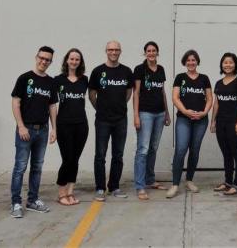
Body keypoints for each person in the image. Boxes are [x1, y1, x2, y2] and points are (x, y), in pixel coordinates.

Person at [10, 46, 58, 218]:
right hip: (26, 129)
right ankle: (16, 203)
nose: (43, 61)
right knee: (20, 167)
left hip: (42, 130)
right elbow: (16, 103)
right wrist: (21, 126)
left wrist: (54, 129)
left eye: (47, 60)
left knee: (37, 167)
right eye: (41, 58)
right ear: (36, 57)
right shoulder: (24, 78)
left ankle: (32, 200)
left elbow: (52, 106)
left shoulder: (51, 82)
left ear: (50, 62)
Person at [89, 40, 133, 201]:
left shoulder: (127, 71)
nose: (113, 52)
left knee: (118, 155)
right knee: (100, 155)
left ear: (120, 51)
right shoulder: (97, 71)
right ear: (106, 51)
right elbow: (92, 94)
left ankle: (114, 186)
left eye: (116, 50)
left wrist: (119, 106)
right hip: (102, 120)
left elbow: (128, 92)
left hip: (121, 119)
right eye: (110, 49)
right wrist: (101, 108)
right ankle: (100, 188)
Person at [166, 50, 212, 199]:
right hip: (184, 119)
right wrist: (185, 111)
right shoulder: (180, 78)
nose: (191, 62)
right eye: (188, 60)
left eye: (193, 60)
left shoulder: (204, 78)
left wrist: (204, 112)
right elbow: (175, 98)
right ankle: (175, 184)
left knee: (195, 150)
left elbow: (210, 98)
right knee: (180, 149)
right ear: (185, 62)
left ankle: (189, 180)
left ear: (197, 61)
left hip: (201, 120)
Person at [133, 41, 171, 200]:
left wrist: (167, 113)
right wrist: (136, 115)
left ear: (157, 52)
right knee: (143, 149)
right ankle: (140, 186)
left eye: (154, 50)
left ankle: (150, 179)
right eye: (148, 51)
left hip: (160, 113)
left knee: (153, 148)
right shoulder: (139, 69)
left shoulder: (161, 69)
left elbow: (162, 92)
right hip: (145, 114)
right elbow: (136, 93)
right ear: (145, 53)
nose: (151, 53)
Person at [55, 48, 89, 206]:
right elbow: (51, 104)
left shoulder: (85, 80)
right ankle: (61, 193)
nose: (74, 62)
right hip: (64, 125)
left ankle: (70, 192)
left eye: (77, 59)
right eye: (72, 59)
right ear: (66, 60)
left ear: (80, 62)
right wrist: (53, 128)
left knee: (75, 160)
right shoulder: (58, 80)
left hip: (81, 125)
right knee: (67, 159)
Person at [210, 52, 237, 195]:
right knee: (226, 153)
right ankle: (228, 182)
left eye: (231, 62)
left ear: (235, 64)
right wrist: (213, 121)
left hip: (234, 123)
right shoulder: (218, 83)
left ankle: (236, 184)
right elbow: (216, 104)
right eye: (225, 62)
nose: (228, 65)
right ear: (222, 65)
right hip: (221, 123)